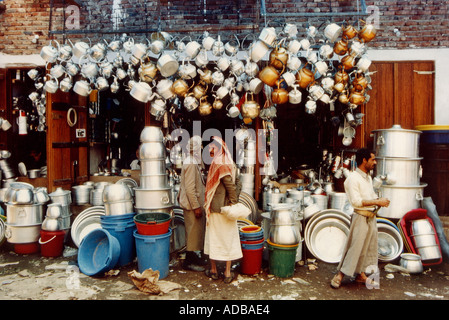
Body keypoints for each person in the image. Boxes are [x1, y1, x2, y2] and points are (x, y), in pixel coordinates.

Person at [330, 148, 390, 289]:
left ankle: (360, 275)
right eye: (372, 159)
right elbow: (356, 202)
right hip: (360, 217)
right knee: (355, 247)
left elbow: (369, 196)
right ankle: (339, 276)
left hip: (371, 218)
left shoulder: (367, 177)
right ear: (364, 160)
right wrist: (377, 202)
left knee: (368, 248)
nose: (375, 162)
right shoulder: (352, 178)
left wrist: (379, 200)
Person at [203, 136, 242, 284]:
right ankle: (224, 272)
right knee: (226, 239)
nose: (209, 149)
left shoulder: (220, 163)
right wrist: (232, 202)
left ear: (218, 148)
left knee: (217, 238)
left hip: (220, 208)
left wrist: (232, 203)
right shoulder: (227, 162)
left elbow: (231, 186)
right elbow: (238, 183)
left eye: (211, 146)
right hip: (221, 208)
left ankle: (219, 271)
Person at [178, 135, 207, 272]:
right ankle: (188, 262)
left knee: (195, 234)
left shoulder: (192, 161)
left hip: (193, 204)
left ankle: (194, 257)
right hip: (191, 205)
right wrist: (196, 206)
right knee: (192, 234)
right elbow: (190, 188)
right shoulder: (190, 163)